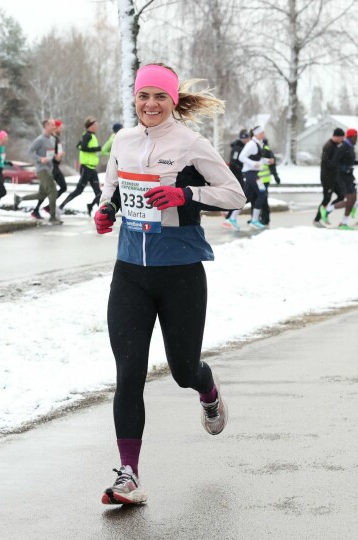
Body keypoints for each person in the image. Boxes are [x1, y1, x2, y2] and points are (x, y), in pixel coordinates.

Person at [92, 62, 246, 505]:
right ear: (135, 100)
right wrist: (104, 213)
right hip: (130, 273)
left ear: (173, 101)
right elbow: (111, 192)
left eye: (160, 96)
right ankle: (129, 475)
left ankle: (208, 389)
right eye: (144, 96)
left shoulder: (192, 144)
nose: (151, 104)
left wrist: (186, 194)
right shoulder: (122, 140)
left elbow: (236, 194)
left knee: (182, 370)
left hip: (179, 273)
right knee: (129, 373)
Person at [14, 119, 62, 224]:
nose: (54, 127)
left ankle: (19, 199)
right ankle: (53, 217)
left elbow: (50, 154)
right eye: (52, 125)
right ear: (46, 126)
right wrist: (40, 159)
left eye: (54, 125)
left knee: (42, 194)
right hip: (42, 169)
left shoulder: (52, 139)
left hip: (49, 168)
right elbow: (30, 152)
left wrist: (56, 157)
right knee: (53, 191)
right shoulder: (40, 139)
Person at [60, 117, 103, 215]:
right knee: (79, 191)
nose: (97, 126)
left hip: (92, 168)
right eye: (95, 125)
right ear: (90, 126)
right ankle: (61, 206)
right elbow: (83, 147)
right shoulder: (87, 135)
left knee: (98, 192)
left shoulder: (91, 135)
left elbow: (79, 145)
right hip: (86, 168)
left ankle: (99, 211)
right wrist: (97, 148)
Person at [239, 125, 272, 229]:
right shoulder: (251, 144)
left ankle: (231, 218)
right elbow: (241, 157)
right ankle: (254, 220)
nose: (264, 134)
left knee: (246, 197)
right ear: (257, 134)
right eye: (262, 133)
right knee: (262, 193)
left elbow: (258, 159)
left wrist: (267, 161)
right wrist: (253, 164)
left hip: (254, 173)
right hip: (250, 173)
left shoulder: (259, 144)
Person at [33, 119, 67, 216]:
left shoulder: (57, 139)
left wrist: (59, 157)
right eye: (60, 127)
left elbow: (56, 155)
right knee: (46, 190)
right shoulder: (50, 139)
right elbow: (47, 154)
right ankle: (37, 210)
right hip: (50, 167)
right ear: (55, 127)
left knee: (62, 187)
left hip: (55, 166)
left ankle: (45, 207)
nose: (62, 129)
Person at [329, 128, 358, 230]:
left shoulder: (351, 147)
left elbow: (350, 162)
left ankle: (343, 222)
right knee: (350, 200)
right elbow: (334, 162)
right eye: (355, 137)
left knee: (353, 200)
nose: (357, 139)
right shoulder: (343, 147)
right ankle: (328, 210)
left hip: (349, 176)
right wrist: (344, 168)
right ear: (351, 137)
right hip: (343, 177)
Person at [315, 128, 346, 227]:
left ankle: (327, 213)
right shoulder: (328, 146)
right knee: (327, 198)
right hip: (327, 176)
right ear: (336, 137)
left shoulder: (337, 145)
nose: (342, 140)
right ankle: (317, 219)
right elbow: (327, 162)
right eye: (341, 138)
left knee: (341, 195)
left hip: (335, 176)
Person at [224, 130, 250, 229]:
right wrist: (241, 168)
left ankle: (229, 215)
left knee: (239, 196)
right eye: (244, 138)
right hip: (236, 175)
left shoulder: (245, 147)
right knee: (239, 196)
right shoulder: (237, 148)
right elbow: (233, 162)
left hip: (241, 175)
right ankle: (229, 217)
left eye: (247, 138)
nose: (246, 139)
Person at [257, 137, 281, 226]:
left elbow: (272, 164)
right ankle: (259, 218)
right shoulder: (259, 149)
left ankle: (265, 218)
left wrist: (276, 175)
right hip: (259, 179)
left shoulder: (266, 150)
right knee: (259, 199)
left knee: (263, 199)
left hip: (264, 179)